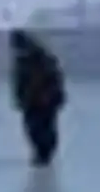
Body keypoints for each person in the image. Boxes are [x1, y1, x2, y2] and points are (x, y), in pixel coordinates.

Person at [10, 31, 67, 167]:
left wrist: (49, 95)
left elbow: (55, 79)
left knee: (46, 127)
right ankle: (40, 152)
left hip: (46, 101)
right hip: (30, 101)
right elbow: (19, 81)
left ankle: (45, 153)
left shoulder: (44, 59)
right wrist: (19, 97)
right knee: (32, 128)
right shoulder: (21, 61)